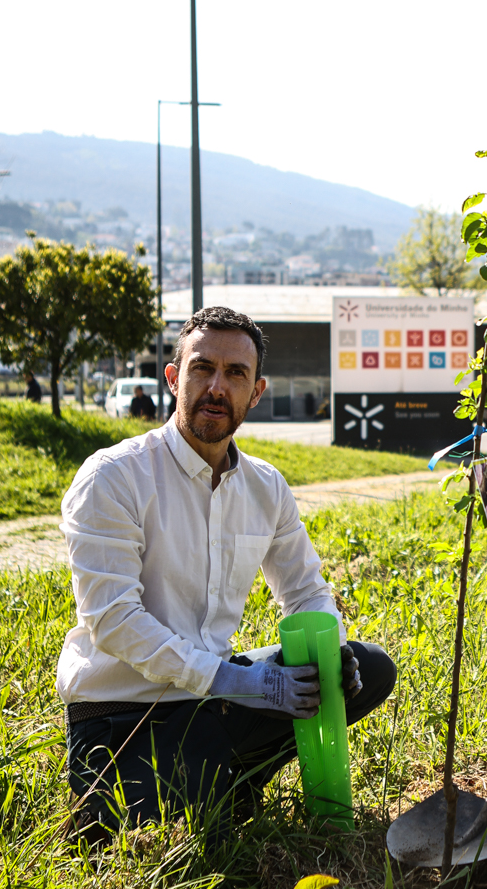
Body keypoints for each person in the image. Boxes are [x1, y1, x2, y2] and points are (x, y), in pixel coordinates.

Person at [58, 303, 396, 841]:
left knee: (369, 669)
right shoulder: (113, 477)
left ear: (255, 392)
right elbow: (114, 621)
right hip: (124, 718)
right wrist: (239, 681)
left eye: (235, 374)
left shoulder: (266, 487)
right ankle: (217, 778)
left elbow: (306, 590)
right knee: (134, 815)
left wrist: (331, 649)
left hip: (213, 701)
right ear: (174, 379)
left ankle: (224, 774)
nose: (217, 387)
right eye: (202, 369)